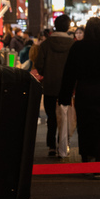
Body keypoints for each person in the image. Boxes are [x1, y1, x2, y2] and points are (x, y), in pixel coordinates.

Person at [58, 17, 100, 168]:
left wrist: (65, 96)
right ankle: (98, 162)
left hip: (83, 89)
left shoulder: (78, 47)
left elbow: (69, 73)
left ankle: (86, 160)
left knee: (85, 125)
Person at [34, 14, 74, 156]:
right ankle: (63, 144)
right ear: (68, 26)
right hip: (67, 87)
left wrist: (48, 72)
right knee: (65, 116)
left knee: (51, 116)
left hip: (50, 86)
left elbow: (39, 65)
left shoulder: (46, 44)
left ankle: (51, 145)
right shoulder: (73, 44)